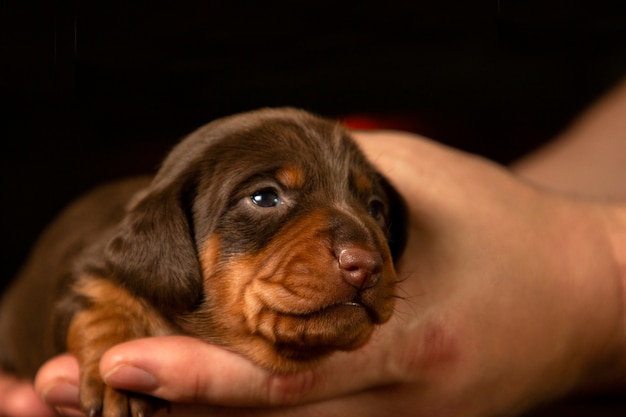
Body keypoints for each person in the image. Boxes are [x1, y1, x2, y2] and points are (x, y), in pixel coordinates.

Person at [1, 79, 626, 417]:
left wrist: (595, 266)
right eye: (266, 199)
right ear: (167, 243)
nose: (363, 256)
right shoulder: (124, 257)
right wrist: (107, 332)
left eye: (374, 211)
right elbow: (97, 286)